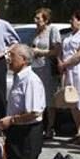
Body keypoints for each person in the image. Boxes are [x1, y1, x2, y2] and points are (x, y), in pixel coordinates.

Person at [0, 44, 80, 159]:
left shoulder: (31, 80)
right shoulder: (18, 77)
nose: (8, 59)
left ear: (24, 59)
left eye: (12, 56)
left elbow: (34, 112)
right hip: (16, 129)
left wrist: (11, 120)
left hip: (29, 130)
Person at [59, 10, 80, 145]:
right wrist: (61, 64)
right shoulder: (69, 35)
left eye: (73, 19)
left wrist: (66, 63)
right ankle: (78, 131)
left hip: (79, 71)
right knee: (72, 102)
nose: (70, 22)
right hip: (68, 71)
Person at [31, 8, 62, 139]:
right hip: (36, 67)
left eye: (39, 18)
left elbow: (56, 51)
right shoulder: (36, 32)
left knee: (49, 99)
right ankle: (39, 126)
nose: (36, 20)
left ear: (46, 20)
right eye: (35, 18)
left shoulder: (52, 30)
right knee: (37, 98)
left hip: (47, 67)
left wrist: (40, 52)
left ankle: (50, 128)